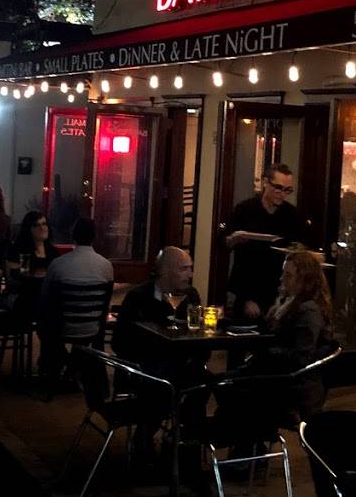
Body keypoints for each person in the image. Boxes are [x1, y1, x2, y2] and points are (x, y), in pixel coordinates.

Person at [213, 249, 333, 459]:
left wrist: (264, 350)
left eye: (288, 275)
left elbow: (300, 356)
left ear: (304, 280)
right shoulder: (289, 303)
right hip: (275, 373)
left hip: (291, 383)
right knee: (222, 383)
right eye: (283, 273)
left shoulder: (308, 310)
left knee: (230, 387)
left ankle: (244, 446)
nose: (281, 278)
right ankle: (246, 445)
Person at [111, 247, 204, 472]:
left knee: (202, 382)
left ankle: (183, 446)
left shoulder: (190, 296)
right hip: (142, 369)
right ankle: (146, 439)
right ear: (166, 271)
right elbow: (120, 342)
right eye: (184, 269)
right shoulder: (138, 297)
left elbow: (198, 335)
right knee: (162, 383)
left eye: (190, 268)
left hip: (178, 367)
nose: (190, 274)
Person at [38, 218, 114, 384]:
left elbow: (45, 298)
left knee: (43, 326)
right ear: (94, 236)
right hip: (92, 327)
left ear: (73, 235)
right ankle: (74, 367)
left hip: (61, 327)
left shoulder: (58, 265)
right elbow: (106, 303)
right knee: (81, 340)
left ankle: (65, 365)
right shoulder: (106, 266)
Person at [225, 162, 302, 320]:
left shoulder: (290, 214)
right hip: (247, 286)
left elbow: (298, 248)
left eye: (287, 190)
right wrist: (234, 239)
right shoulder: (245, 209)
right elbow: (225, 242)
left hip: (278, 287)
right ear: (265, 182)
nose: (282, 194)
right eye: (278, 188)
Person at [10, 210, 59, 276]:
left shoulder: (53, 252)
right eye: (36, 225)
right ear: (28, 229)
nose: (42, 228)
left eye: (44, 224)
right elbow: (13, 276)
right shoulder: (18, 250)